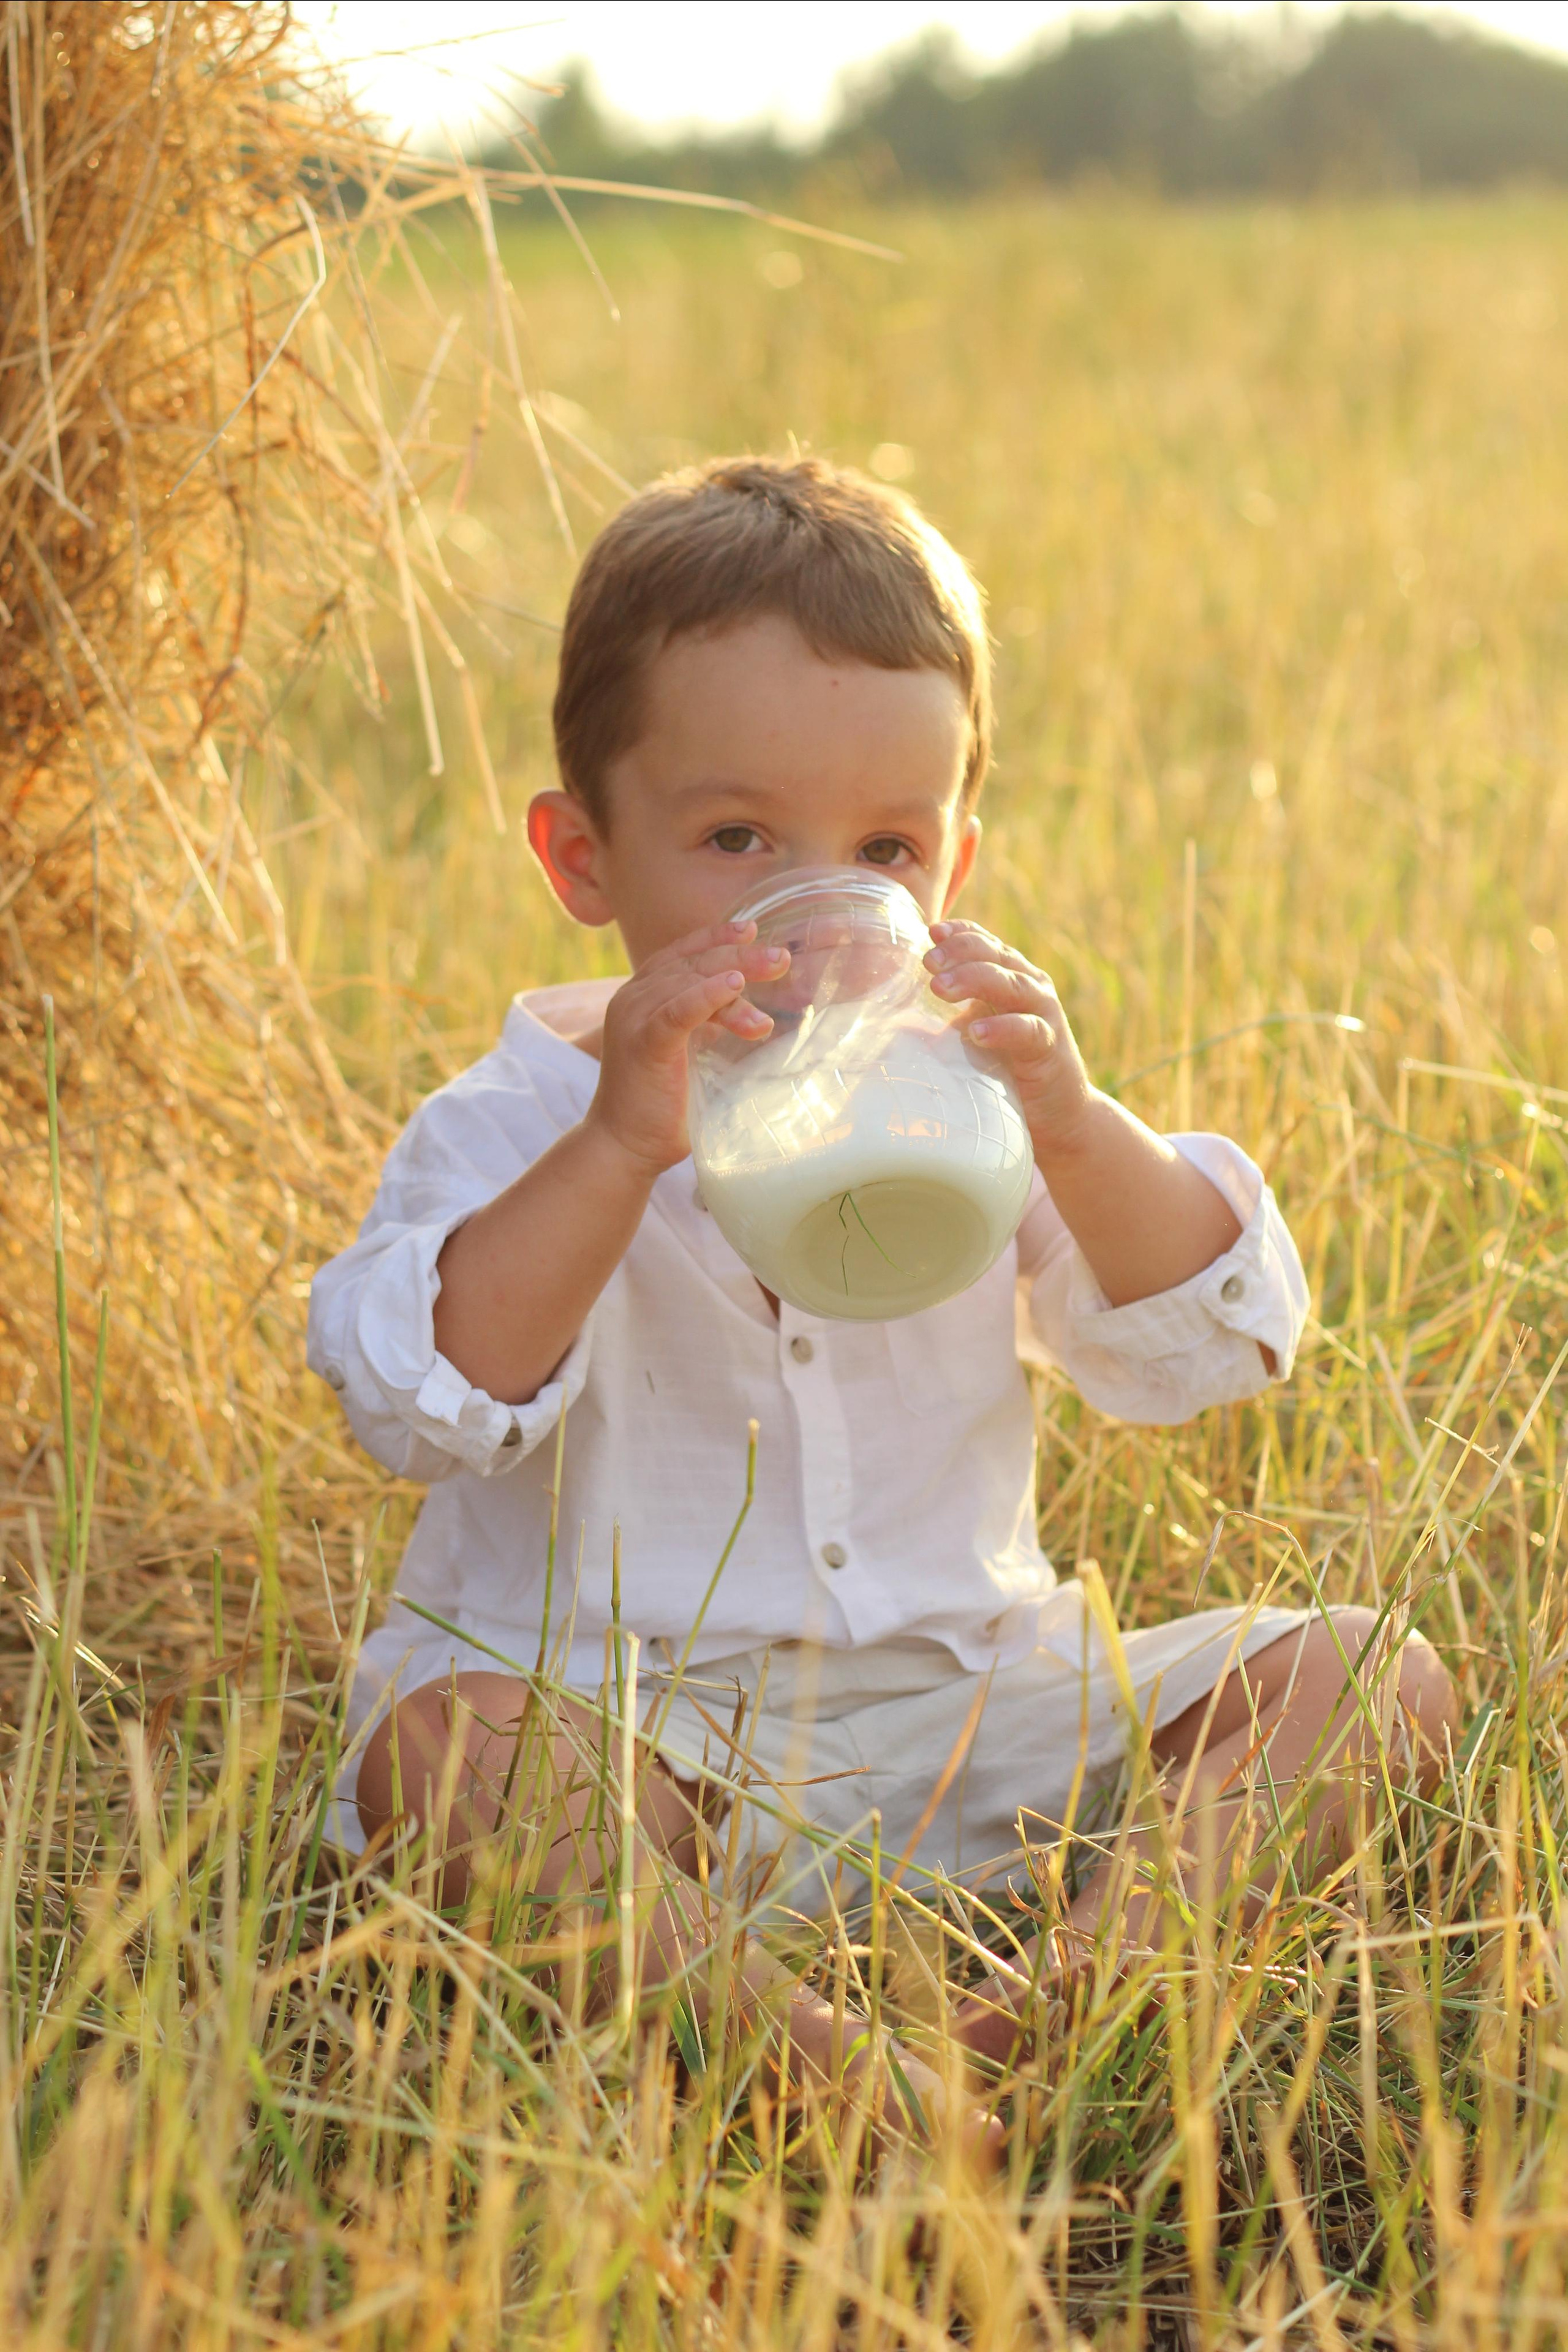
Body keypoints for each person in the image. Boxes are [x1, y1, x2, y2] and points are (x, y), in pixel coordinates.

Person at [308, 455, 1457, 2149]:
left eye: (883, 850)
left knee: (1377, 1679)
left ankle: (1046, 2012)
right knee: (446, 1754)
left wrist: (1069, 1120)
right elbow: (420, 1401)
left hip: (971, 1716)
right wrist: (628, 1143)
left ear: (953, 867)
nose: (809, 910)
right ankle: (813, 2061)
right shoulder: (517, 1127)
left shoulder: (961, 1112)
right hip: (639, 1744)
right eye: (734, 839)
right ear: (583, 857)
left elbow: (1203, 1344)